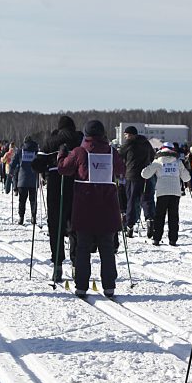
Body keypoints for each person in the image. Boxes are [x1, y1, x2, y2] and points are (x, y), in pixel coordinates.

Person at [56, 120, 126, 297]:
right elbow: (121, 169)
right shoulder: (111, 151)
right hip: (108, 207)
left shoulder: (80, 152)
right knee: (107, 248)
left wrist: (61, 154)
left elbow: (63, 169)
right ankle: (109, 286)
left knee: (82, 248)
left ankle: (81, 286)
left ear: (86, 134)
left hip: (84, 207)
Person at [34, 115, 83, 281]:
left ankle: (57, 266)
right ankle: (77, 265)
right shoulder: (79, 139)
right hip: (77, 184)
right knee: (75, 224)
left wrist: (40, 167)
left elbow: (38, 163)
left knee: (55, 224)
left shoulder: (51, 141)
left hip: (56, 184)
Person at [141, 143, 191, 245]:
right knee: (173, 216)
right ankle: (173, 239)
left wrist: (146, 167)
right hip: (175, 192)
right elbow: (187, 178)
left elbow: (145, 175)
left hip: (162, 192)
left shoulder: (158, 161)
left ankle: (157, 238)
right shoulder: (178, 162)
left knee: (160, 215)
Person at [119, 126, 156, 238]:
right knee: (147, 199)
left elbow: (119, 155)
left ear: (131, 135)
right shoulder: (146, 143)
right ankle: (150, 219)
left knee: (131, 200)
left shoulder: (128, 144)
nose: (126, 137)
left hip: (132, 176)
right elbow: (153, 155)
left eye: (127, 135)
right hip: (146, 176)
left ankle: (130, 225)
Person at [9, 136, 39, 225]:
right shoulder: (36, 151)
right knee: (33, 200)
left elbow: (12, 163)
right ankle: (33, 217)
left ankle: (21, 217)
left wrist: (11, 172)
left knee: (22, 200)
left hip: (22, 180)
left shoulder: (20, 151)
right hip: (33, 180)